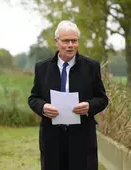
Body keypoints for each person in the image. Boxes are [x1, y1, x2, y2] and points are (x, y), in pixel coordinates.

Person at [28, 20, 108, 170]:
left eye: (74, 41)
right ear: (56, 42)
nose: (70, 45)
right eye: (66, 41)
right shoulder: (42, 67)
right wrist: (43, 107)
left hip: (82, 138)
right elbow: (33, 98)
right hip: (52, 138)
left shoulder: (91, 67)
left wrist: (89, 106)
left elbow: (102, 99)